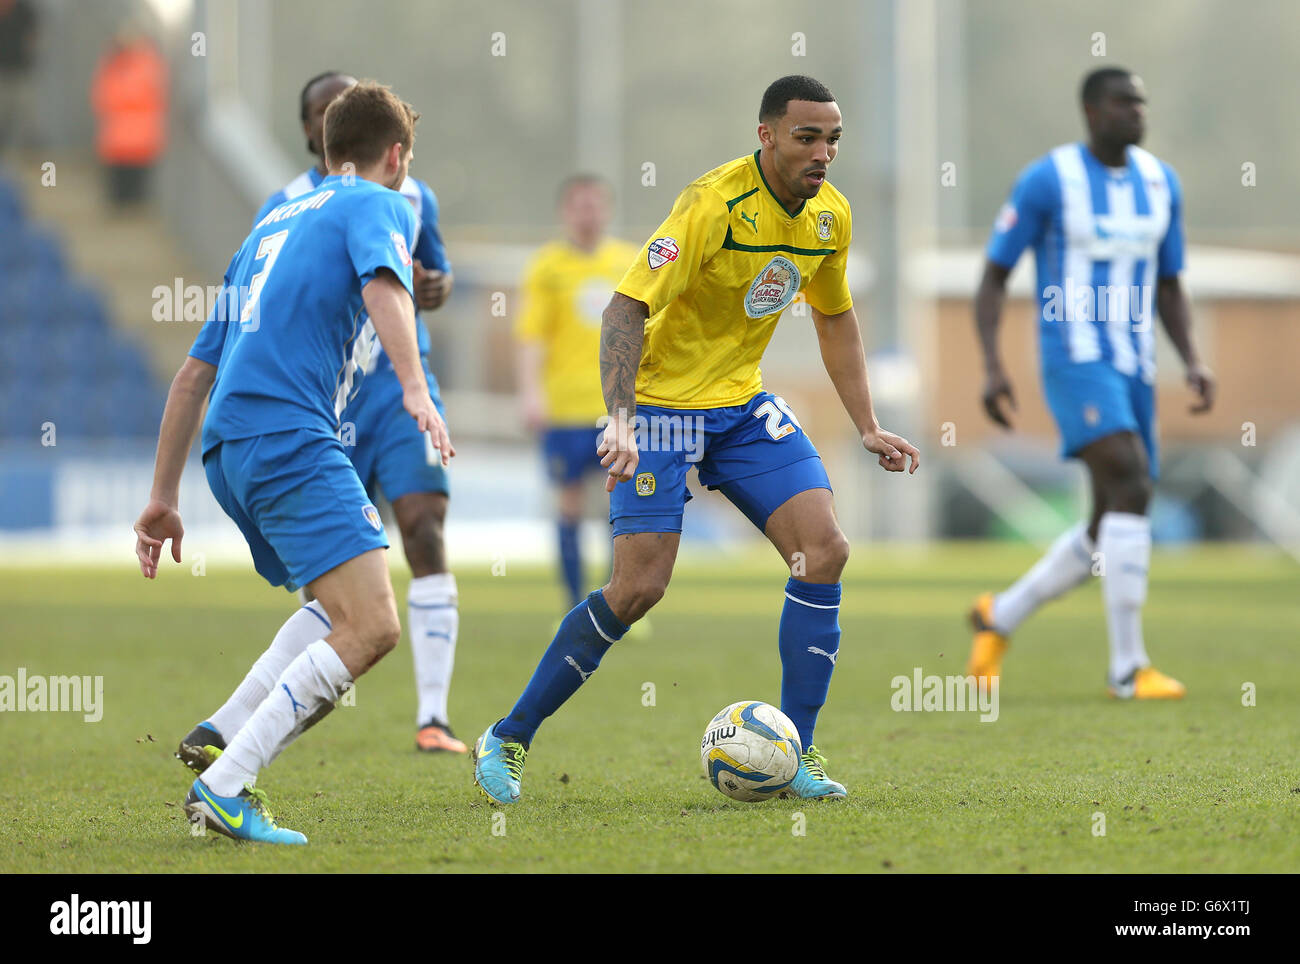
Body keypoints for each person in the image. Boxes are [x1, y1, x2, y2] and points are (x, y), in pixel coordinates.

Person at [473, 75, 919, 805]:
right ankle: (510, 735)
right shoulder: (712, 203)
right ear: (766, 135)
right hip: (659, 410)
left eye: (834, 139)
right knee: (639, 587)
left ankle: (795, 752)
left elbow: (835, 319)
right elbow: (623, 309)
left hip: (741, 407)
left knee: (826, 550)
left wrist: (866, 423)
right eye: (808, 136)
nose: (824, 153)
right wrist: (619, 418)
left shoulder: (830, 218)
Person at [132, 81, 453, 844]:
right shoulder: (381, 202)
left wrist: (161, 498)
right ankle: (225, 784)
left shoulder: (271, 222)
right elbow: (386, 287)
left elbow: (191, 375)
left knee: (336, 606)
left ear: (327, 144)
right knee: (373, 626)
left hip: (228, 446)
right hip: (290, 436)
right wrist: (416, 389)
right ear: (395, 156)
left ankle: (223, 728)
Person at [232, 70, 464, 754]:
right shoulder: (285, 205)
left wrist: (434, 285)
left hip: (396, 386)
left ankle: (433, 715)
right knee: (338, 581)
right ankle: (249, 733)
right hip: (326, 399)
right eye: (319, 109)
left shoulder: (413, 195)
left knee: (423, 527)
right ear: (311, 130)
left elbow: (433, 276)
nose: (331, 113)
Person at [967, 67, 1215, 699]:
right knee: (1131, 480)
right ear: (1090, 111)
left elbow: (1168, 283)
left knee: (1114, 514)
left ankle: (1002, 615)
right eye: (1122, 102)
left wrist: (1193, 359)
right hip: (1074, 357)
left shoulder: (1162, 183)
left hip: (1136, 364)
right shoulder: (1050, 178)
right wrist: (992, 366)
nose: (1136, 112)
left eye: (1141, 101)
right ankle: (1128, 668)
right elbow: (995, 274)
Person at [515, 175, 639, 610]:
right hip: (565, 408)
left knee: (620, 507)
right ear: (565, 212)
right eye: (579, 206)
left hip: (616, 409)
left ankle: (617, 605)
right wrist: (532, 394)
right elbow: (533, 336)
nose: (588, 214)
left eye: (595, 205)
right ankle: (574, 607)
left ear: (607, 210)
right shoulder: (548, 267)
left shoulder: (628, 261)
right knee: (568, 504)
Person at [90, 24, 168, 207]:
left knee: (135, 185)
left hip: (137, 137)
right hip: (121, 138)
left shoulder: (144, 64)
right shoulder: (114, 65)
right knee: (120, 184)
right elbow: (103, 97)